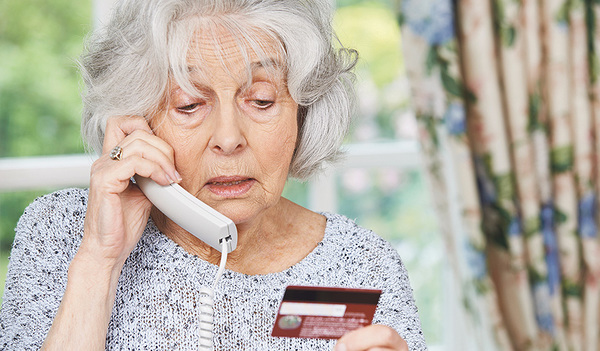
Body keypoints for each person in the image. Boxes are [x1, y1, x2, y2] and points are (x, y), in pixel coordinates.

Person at [0, 0, 426, 349]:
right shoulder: (62, 232)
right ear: (136, 121)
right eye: (188, 105)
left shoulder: (365, 265)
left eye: (261, 100)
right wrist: (100, 259)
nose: (228, 138)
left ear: (303, 112)